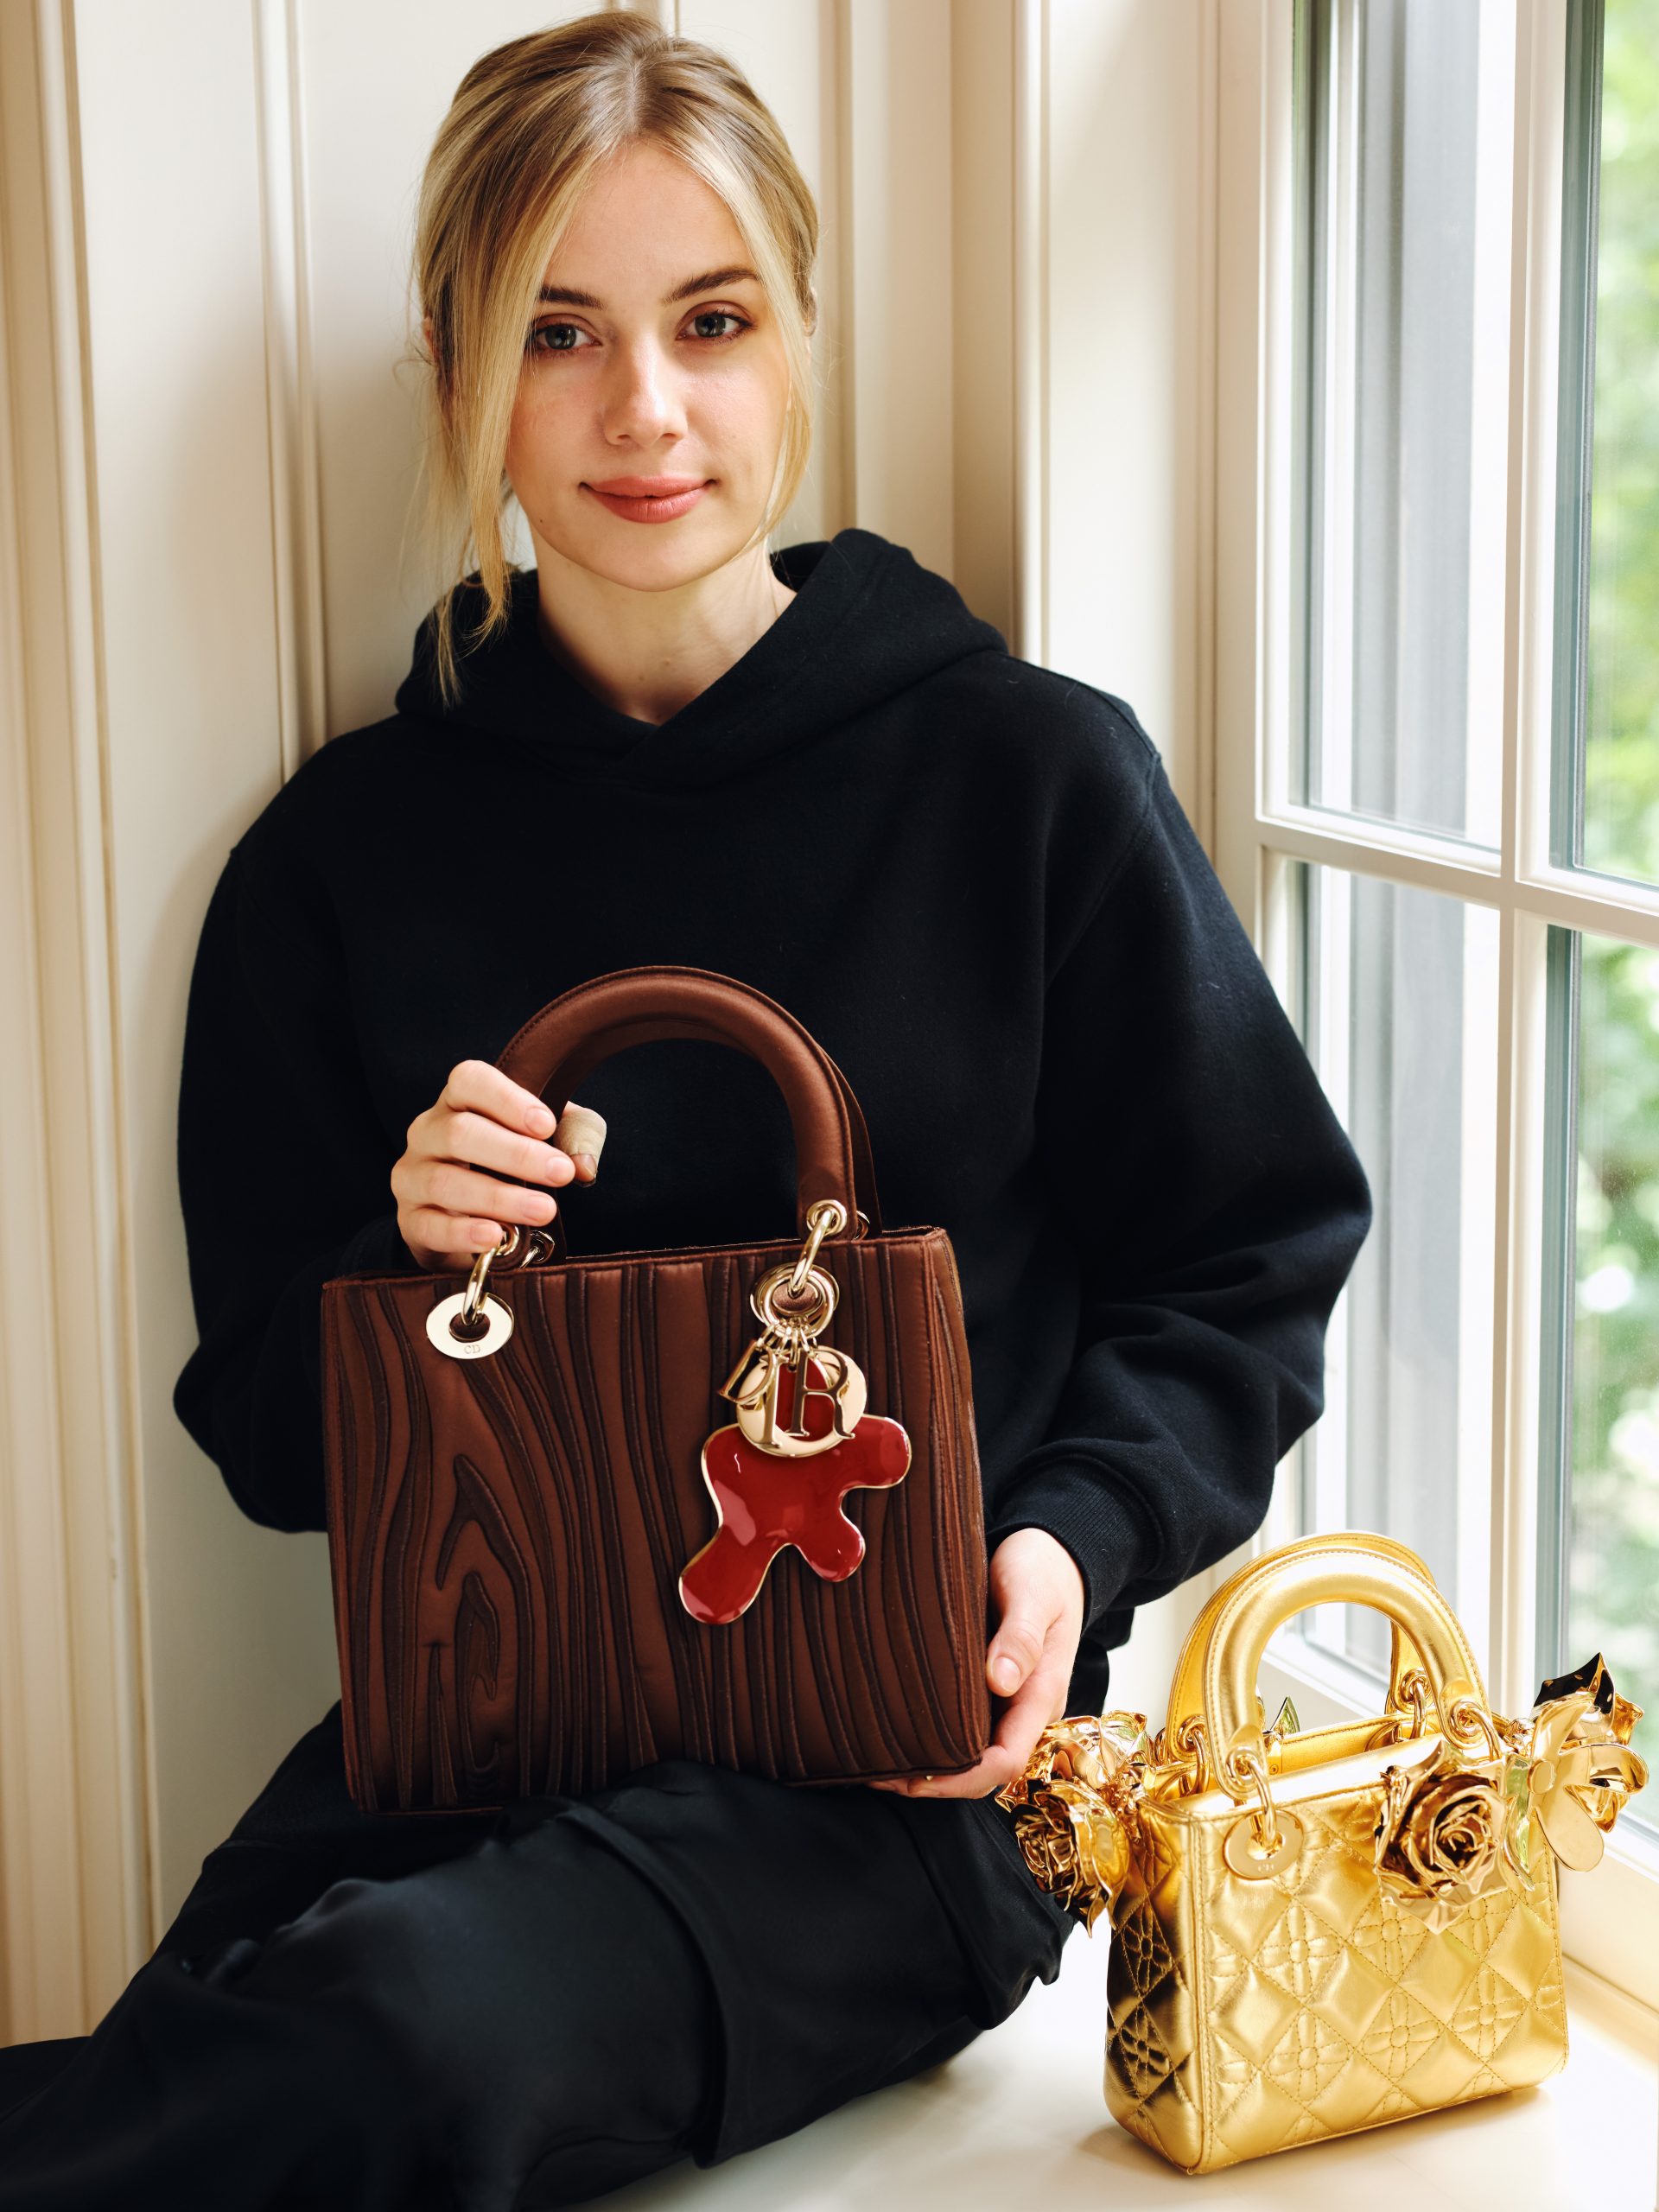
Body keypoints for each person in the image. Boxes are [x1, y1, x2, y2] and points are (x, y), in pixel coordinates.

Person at [0, 12, 1372, 2208]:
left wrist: (1072, 1535)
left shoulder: (1028, 780)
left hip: (896, 1779)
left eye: (711, 320)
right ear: (461, 373)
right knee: (214, 2048)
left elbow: (1251, 1249)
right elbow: (266, 1432)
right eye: (559, 332)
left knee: (394, 2043)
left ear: (800, 339)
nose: (647, 409)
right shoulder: (332, 863)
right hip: (469, 1742)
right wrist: (405, 1254)